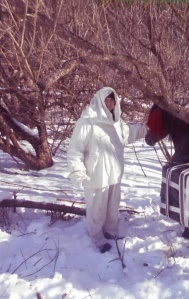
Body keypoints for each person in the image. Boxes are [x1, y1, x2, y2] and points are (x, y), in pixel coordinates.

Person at [67, 87, 147, 253]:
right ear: (99, 100)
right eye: (107, 99)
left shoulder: (116, 123)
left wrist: (148, 128)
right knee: (97, 208)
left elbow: (130, 133)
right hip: (96, 174)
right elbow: (75, 150)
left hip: (114, 173)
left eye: (112, 100)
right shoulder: (87, 122)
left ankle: (110, 231)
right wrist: (78, 172)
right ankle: (97, 236)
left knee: (112, 206)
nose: (110, 102)